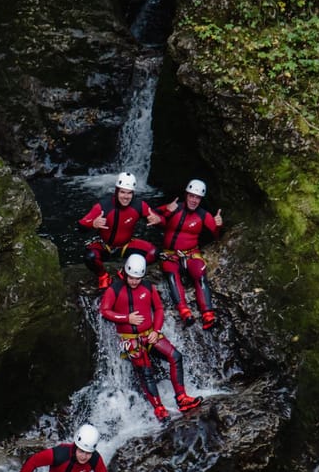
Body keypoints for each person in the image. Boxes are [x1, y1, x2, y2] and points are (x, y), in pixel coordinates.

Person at [100, 254, 203, 420]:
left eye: (137, 278)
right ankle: (158, 408)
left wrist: (156, 330)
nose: (134, 281)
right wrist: (126, 318)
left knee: (175, 356)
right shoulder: (115, 289)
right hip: (128, 339)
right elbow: (104, 311)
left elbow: (159, 309)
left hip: (150, 335)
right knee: (145, 370)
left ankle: (182, 398)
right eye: (131, 278)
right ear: (126, 273)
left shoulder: (148, 287)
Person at [156, 179, 224, 329]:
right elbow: (152, 215)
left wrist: (218, 224)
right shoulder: (175, 208)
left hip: (191, 254)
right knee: (172, 275)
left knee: (200, 273)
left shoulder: (203, 216)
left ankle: (208, 314)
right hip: (170, 254)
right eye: (191, 196)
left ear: (201, 199)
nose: (194, 200)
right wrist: (167, 210)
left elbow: (216, 234)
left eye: (197, 197)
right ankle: (184, 312)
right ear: (186, 195)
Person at [78, 172, 163, 290]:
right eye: (122, 192)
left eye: (129, 193)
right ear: (116, 191)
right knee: (90, 256)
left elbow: (161, 222)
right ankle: (103, 275)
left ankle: (125, 272)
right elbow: (80, 227)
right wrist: (92, 224)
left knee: (154, 252)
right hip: (105, 246)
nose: (126, 197)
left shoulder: (139, 205)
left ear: (133, 193)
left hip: (125, 246)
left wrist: (159, 220)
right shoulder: (103, 206)